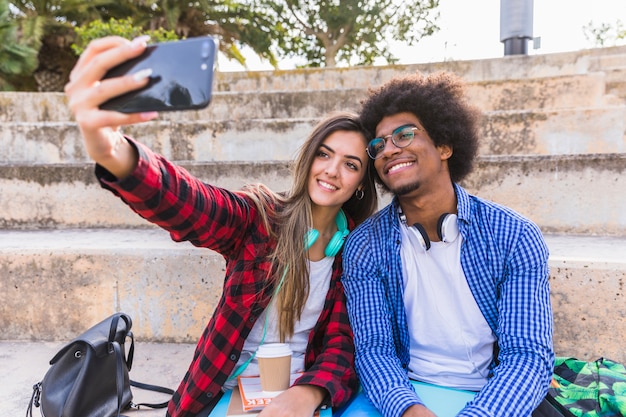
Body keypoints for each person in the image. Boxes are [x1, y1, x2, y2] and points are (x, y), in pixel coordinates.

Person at [64, 36, 378, 417]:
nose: (331, 170)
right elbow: (191, 202)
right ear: (309, 159)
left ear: (361, 182)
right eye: (324, 155)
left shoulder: (358, 247)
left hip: (302, 393)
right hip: (224, 389)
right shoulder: (261, 218)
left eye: (350, 163)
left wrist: (308, 394)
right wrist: (114, 152)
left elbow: (344, 343)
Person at [341, 71, 554, 417]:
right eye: (378, 146)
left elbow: (527, 356)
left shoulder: (515, 235)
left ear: (444, 145)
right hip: (402, 395)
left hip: (491, 396)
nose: (389, 150)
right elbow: (374, 350)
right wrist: (409, 410)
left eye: (404, 135)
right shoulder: (364, 246)